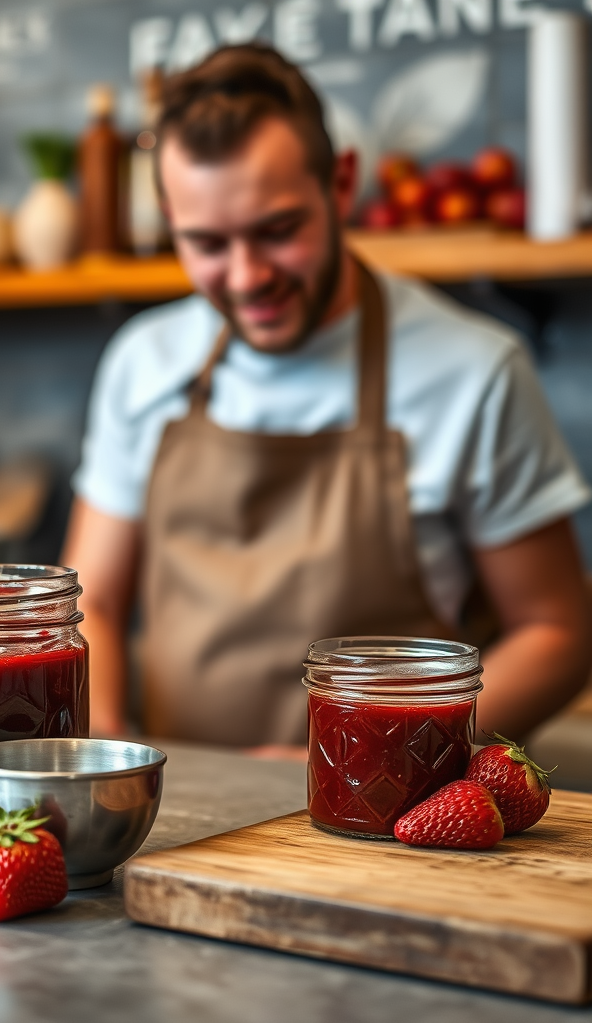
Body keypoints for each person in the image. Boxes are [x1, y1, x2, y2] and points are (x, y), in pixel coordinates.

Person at [61, 43, 592, 754]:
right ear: (168, 217)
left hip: (384, 822)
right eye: (207, 243)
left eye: (277, 231)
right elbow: (88, 600)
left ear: (341, 185)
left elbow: (556, 633)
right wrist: (105, 745)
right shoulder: (143, 362)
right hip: (179, 817)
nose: (247, 277)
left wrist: (369, 758)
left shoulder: (475, 371)